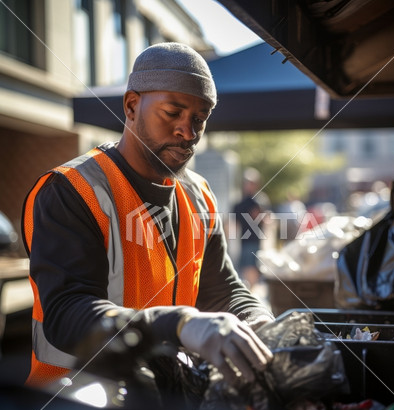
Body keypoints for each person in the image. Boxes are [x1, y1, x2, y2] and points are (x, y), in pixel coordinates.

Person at [22, 42, 274, 390]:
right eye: (173, 113)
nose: (187, 132)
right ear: (131, 105)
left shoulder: (198, 195)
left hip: (168, 405)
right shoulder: (71, 190)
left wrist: (260, 323)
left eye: (199, 120)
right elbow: (66, 313)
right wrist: (178, 323)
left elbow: (222, 288)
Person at [233, 167, 271, 290]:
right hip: (243, 240)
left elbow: (267, 220)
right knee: (246, 266)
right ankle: (250, 289)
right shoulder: (241, 202)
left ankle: (251, 290)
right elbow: (235, 222)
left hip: (255, 239)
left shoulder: (260, 201)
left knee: (252, 266)